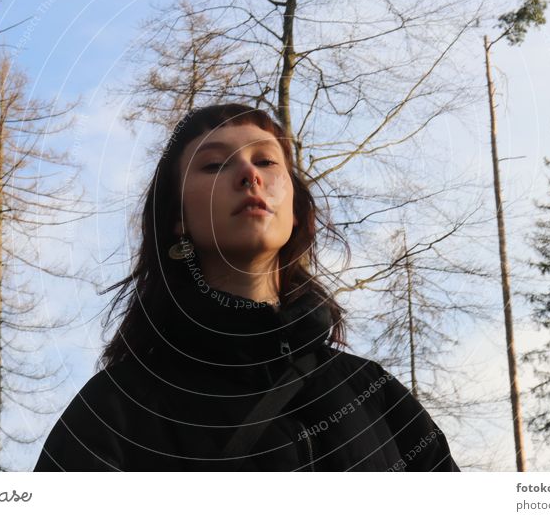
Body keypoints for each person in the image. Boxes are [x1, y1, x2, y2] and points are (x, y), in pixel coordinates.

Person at [34, 103, 460, 472]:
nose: (248, 175)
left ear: (294, 209)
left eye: (267, 161)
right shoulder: (118, 408)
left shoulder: (374, 394)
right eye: (215, 164)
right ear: (178, 219)